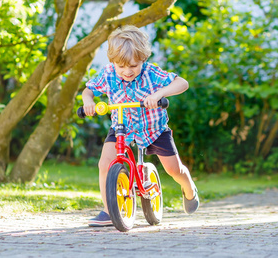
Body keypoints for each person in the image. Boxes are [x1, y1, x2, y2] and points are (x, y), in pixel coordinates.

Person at [81, 25, 199, 227]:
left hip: (154, 129)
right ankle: (109, 211)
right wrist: (88, 103)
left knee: (174, 169)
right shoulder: (108, 74)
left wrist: (158, 94)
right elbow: (88, 91)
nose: (127, 71)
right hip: (121, 128)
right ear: (112, 62)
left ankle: (189, 188)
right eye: (121, 66)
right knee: (105, 164)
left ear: (143, 60)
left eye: (133, 66)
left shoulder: (151, 73)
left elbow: (182, 83)